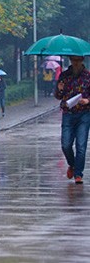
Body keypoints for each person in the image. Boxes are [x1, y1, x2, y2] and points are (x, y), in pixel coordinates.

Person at [54, 55, 90, 184]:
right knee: (66, 144)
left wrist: (87, 100)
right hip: (68, 114)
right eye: (73, 60)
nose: (75, 63)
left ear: (82, 61)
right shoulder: (64, 76)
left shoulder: (88, 76)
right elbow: (58, 96)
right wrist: (59, 90)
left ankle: (78, 174)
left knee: (81, 146)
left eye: (78, 60)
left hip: (84, 114)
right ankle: (72, 164)